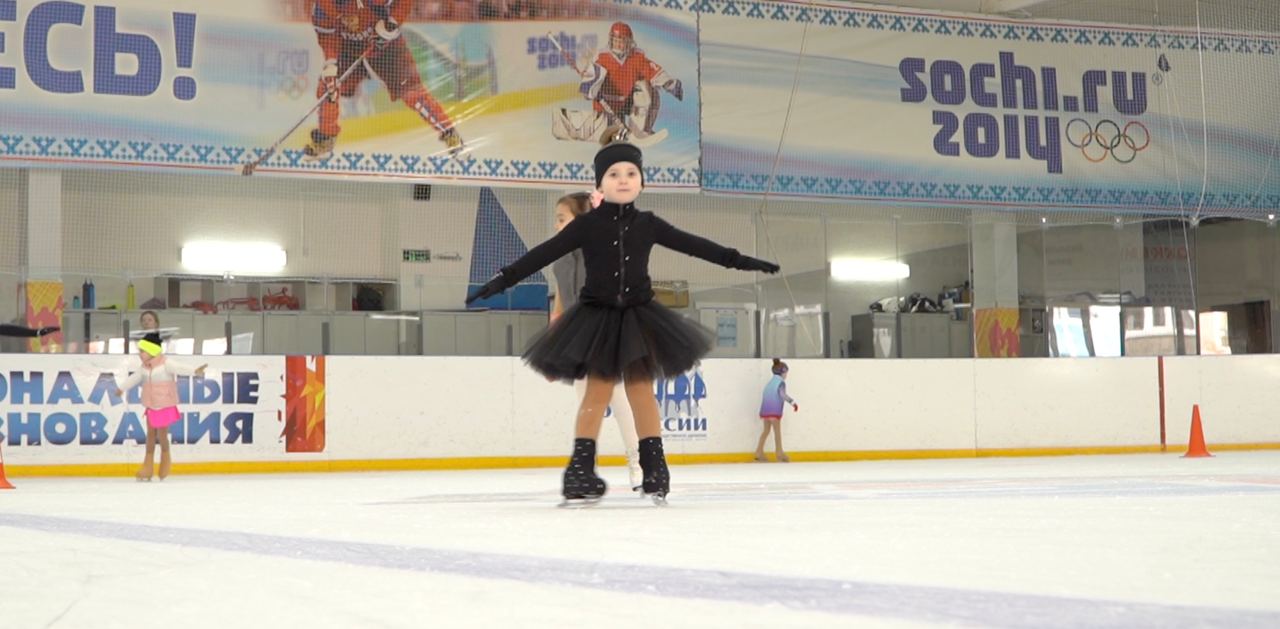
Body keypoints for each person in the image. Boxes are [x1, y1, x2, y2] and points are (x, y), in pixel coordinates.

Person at [467, 140, 780, 505]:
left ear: (642, 183)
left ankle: (655, 469)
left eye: (631, 173)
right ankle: (580, 471)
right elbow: (541, 255)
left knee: (641, 389)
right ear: (600, 184)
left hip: (637, 316)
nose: (623, 179)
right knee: (597, 392)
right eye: (614, 174)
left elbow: (697, 246)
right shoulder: (585, 226)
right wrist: (502, 280)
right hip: (597, 317)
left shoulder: (648, 224)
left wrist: (743, 262)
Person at [550, 192, 643, 492]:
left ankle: (638, 462)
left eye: (562, 219)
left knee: (616, 398)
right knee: (586, 403)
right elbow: (561, 299)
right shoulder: (560, 256)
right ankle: (586, 469)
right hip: (577, 336)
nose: (557, 225)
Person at [305, 0, 463, 160]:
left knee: (411, 93)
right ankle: (325, 139)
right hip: (347, 49)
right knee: (328, 88)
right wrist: (331, 65)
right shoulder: (322, 7)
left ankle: (449, 133)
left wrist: (391, 24)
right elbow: (327, 38)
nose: (347, 21)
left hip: (386, 47)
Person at [116, 332, 206, 482]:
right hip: (151, 405)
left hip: (164, 405)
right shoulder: (144, 368)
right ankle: (147, 468)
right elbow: (134, 378)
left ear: (152, 350)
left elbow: (180, 368)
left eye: (143, 351)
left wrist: (195, 371)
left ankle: (165, 464)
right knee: (150, 436)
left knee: (162, 437)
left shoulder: (165, 363)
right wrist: (122, 388)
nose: (140, 354)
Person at [755, 358, 798, 463]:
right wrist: (792, 402)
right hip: (774, 411)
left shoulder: (770, 383)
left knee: (766, 431)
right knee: (777, 432)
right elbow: (782, 394)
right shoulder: (780, 383)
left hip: (765, 411)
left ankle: (759, 452)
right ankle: (779, 453)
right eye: (786, 373)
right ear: (782, 372)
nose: (786, 375)